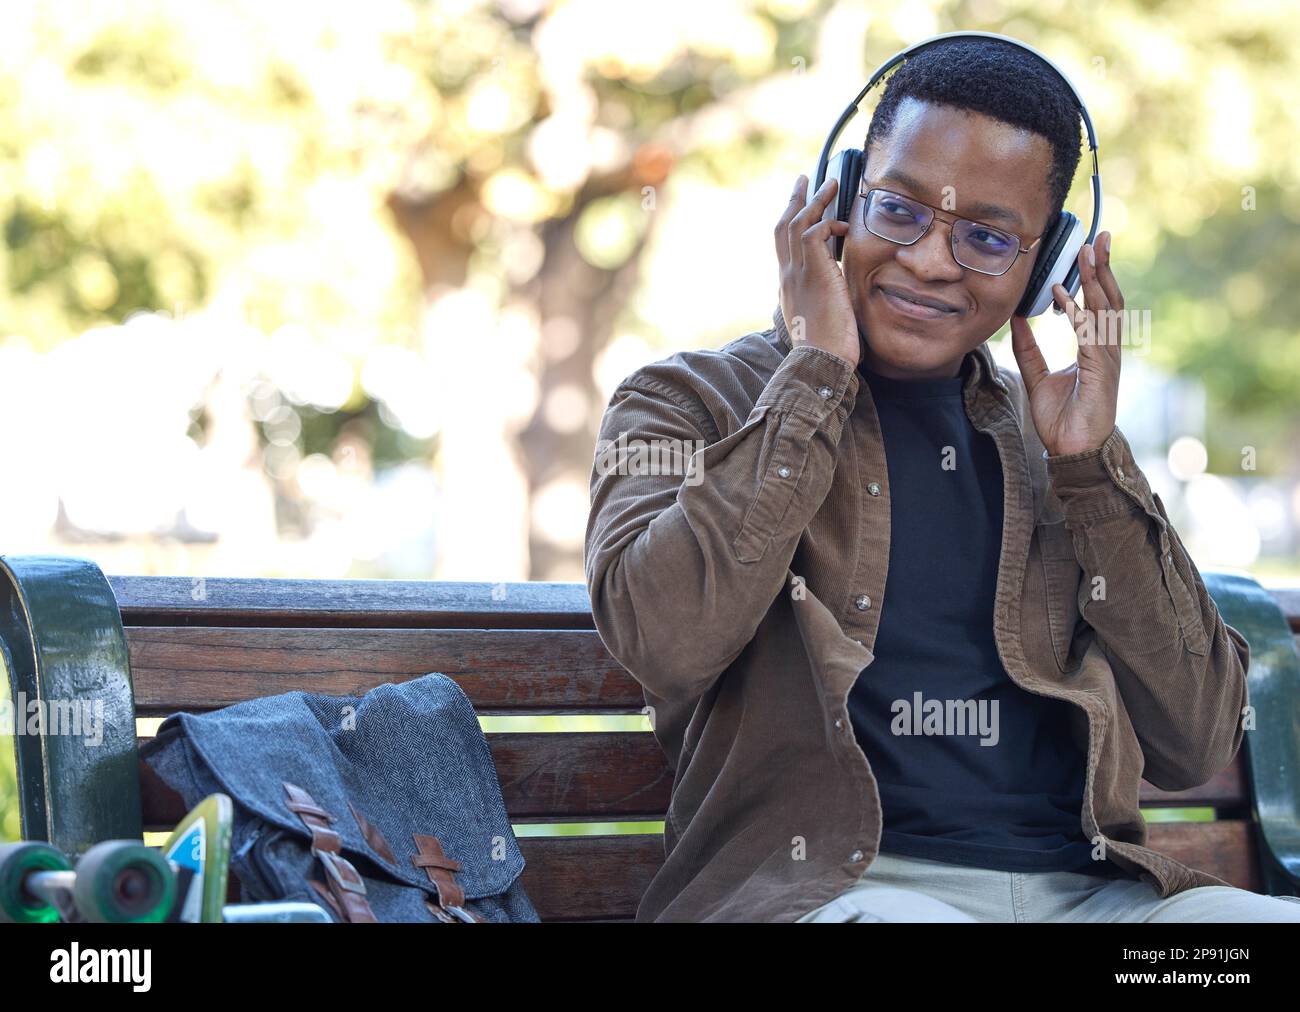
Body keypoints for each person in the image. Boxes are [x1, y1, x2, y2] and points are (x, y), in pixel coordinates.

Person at [583, 35, 1300, 922]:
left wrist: (1092, 471)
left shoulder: (1060, 445)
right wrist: (814, 377)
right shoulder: (686, 402)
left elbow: (1196, 741)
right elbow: (663, 642)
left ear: (1044, 269)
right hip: (839, 892)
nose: (928, 260)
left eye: (987, 238)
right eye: (898, 210)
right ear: (838, 201)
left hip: (1093, 899)